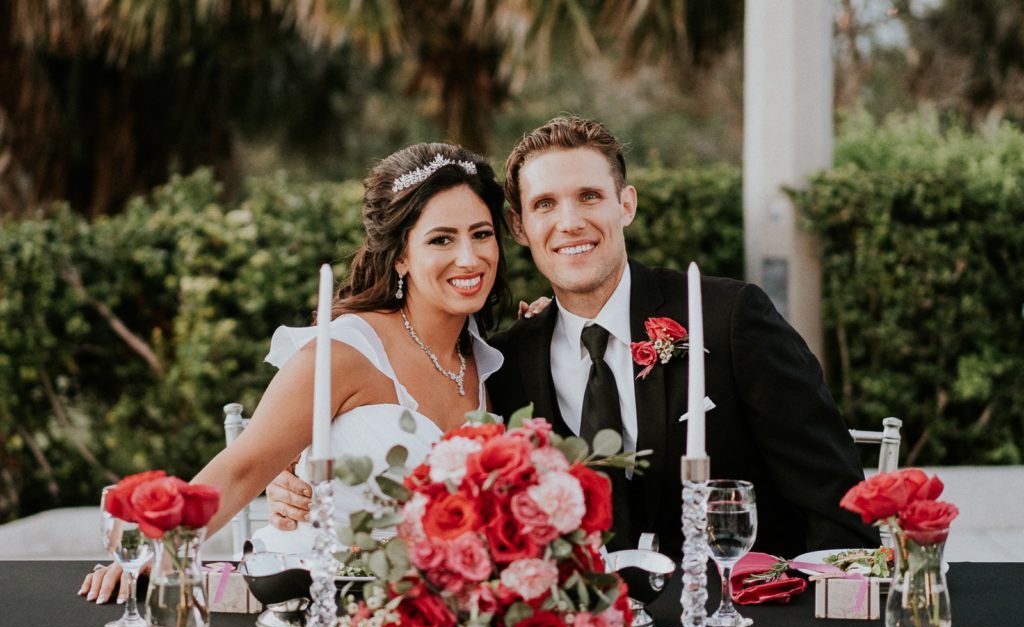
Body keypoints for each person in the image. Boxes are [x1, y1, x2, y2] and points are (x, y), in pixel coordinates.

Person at [266, 116, 878, 560]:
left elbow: (837, 505)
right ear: (519, 226)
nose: (570, 222)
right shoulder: (503, 365)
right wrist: (294, 476)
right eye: (546, 205)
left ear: (626, 204)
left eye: (589, 196)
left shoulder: (728, 319)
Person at [79, 141, 511, 604]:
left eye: (481, 234)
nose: (469, 257)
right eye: (441, 239)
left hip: (436, 615)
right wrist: (154, 552)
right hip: (310, 601)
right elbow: (241, 468)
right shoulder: (345, 351)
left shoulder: (487, 362)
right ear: (400, 255)